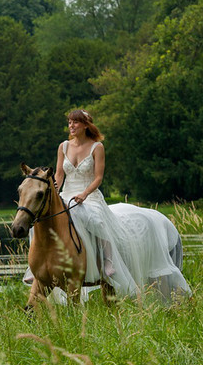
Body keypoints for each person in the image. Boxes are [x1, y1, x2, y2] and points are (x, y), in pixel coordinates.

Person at [30, 109, 190, 301]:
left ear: (86, 125)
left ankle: (107, 261)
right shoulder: (63, 147)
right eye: (70, 122)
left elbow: (98, 178)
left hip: (89, 195)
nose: (71, 126)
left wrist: (84, 194)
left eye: (76, 123)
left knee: (94, 219)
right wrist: (54, 193)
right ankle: (37, 266)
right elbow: (58, 175)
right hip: (66, 195)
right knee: (43, 220)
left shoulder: (97, 147)